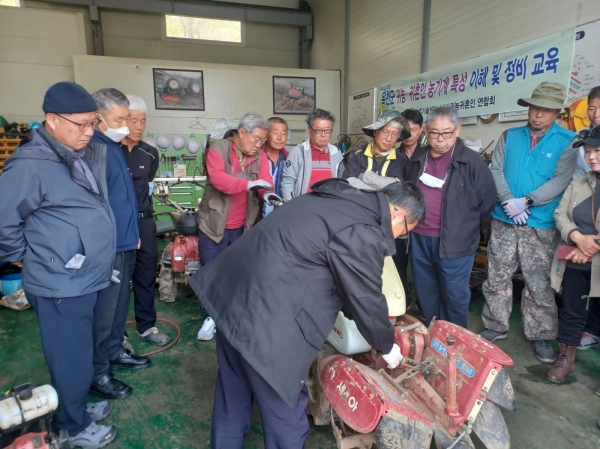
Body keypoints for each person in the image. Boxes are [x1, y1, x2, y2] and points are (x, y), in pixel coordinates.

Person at [189, 179, 426, 448]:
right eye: (404, 231)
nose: (398, 237)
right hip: (265, 322)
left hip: (230, 299)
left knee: (232, 395)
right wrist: (386, 344)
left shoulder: (336, 200)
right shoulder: (364, 230)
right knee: (286, 417)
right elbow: (365, 296)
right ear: (397, 213)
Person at [0, 82, 117, 448]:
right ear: (51, 120)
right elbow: (4, 223)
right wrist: (35, 257)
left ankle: (74, 406)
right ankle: (73, 426)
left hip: (84, 276)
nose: (89, 131)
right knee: (70, 358)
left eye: (93, 123)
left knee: (81, 351)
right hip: (60, 281)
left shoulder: (74, 153)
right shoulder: (29, 166)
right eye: (80, 124)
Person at [480, 82, 577, 364]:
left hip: (540, 223)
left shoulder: (568, 140)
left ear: (557, 113)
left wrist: (528, 201)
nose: (538, 114)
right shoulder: (510, 135)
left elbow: (560, 179)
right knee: (497, 275)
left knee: (538, 281)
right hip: (504, 218)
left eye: (546, 110)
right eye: (535, 108)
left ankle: (541, 333)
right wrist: (509, 201)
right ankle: (495, 324)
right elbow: (496, 170)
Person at [407, 106, 496, 328]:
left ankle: (454, 338)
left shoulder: (472, 162)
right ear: (425, 131)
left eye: (447, 133)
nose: (440, 139)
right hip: (419, 236)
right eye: (434, 133)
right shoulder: (418, 158)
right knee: (426, 290)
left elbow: (486, 202)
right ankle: (434, 333)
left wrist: (462, 226)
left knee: (454, 294)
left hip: (455, 240)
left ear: (457, 130)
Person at [89, 88, 151, 403]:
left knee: (118, 305)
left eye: (128, 118)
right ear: (97, 117)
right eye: (119, 119)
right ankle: (97, 372)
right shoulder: (92, 149)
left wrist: (132, 233)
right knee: (103, 311)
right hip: (108, 246)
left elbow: (124, 198)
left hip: (126, 241)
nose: (126, 126)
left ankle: (114, 352)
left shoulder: (112, 146)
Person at [196, 112, 275, 341]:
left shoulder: (259, 156)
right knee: (212, 273)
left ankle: (230, 317)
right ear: (241, 132)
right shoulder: (218, 149)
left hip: (243, 226)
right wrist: (249, 184)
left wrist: (267, 194)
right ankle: (211, 317)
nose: (259, 145)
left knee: (238, 273)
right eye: (256, 139)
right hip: (214, 225)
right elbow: (218, 179)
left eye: (262, 141)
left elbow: (265, 181)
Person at [547, 125, 600, 384]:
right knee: (571, 309)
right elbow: (560, 214)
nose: (592, 157)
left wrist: (591, 245)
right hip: (577, 258)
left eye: (597, 151)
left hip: (589, 255)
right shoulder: (579, 183)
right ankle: (566, 359)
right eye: (588, 152)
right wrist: (578, 238)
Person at [120, 94, 170, 347]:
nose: (138, 126)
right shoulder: (110, 152)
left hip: (144, 221)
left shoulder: (150, 154)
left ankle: (147, 326)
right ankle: (117, 335)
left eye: (143, 121)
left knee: (145, 275)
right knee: (119, 280)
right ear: (122, 120)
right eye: (133, 120)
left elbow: (145, 185)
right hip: (119, 224)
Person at [342, 114, 411, 289]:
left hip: (389, 221)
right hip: (359, 219)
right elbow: (349, 182)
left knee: (394, 267)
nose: (389, 138)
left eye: (394, 134)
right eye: (385, 132)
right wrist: (382, 188)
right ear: (376, 132)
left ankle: (397, 303)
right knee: (359, 265)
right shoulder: (358, 153)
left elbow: (397, 188)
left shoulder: (401, 159)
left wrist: (365, 177)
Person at [571, 87, 600, 350]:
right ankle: (588, 330)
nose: (596, 113)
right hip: (582, 220)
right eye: (592, 108)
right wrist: (579, 237)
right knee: (582, 286)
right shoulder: (581, 139)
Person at [281, 109, 342, 200]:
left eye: (327, 130)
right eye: (319, 130)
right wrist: (291, 204)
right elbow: (287, 181)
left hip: (329, 203)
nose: (323, 135)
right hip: (304, 204)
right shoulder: (298, 152)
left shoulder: (336, 153)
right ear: (309, 130)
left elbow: (341, 183)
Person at [261, 117, 289, 217]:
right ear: (266, 133)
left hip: (280, 215)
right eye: (275, 133)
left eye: (283, 133)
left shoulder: (289, 160)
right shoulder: (255, 157)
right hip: (256, 215)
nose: (279, 138)